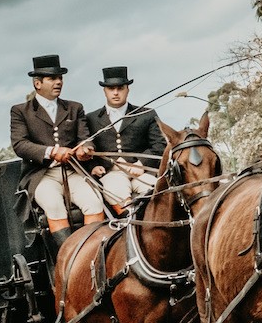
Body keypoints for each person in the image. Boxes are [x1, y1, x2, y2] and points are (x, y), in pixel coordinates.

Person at [9, 55, 103, 252]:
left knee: (94, 201)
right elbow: (20, 144)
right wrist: (51, 151)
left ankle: (92, 254)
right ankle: (71, 255)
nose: (58, 82)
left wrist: (86, 149)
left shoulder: (74, 108)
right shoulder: (20, 111)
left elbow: (85, 138)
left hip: (73, 171)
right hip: (42, 175)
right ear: (37, 83)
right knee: (53, 205)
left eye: (60, 77)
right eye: (52, 78)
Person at [83, 66, 164, 210]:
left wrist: (141, 163)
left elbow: (160, 145)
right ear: (104, 90)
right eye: (110, 88)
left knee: (158, 194)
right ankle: (130, 230)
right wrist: (94, 166)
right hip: (111, 173)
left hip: (142, 171)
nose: (115, 93)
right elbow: (86, 147)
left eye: (120, 88)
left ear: (127, 89)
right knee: (120, 198)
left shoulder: (147, 114)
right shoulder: (91, 118)